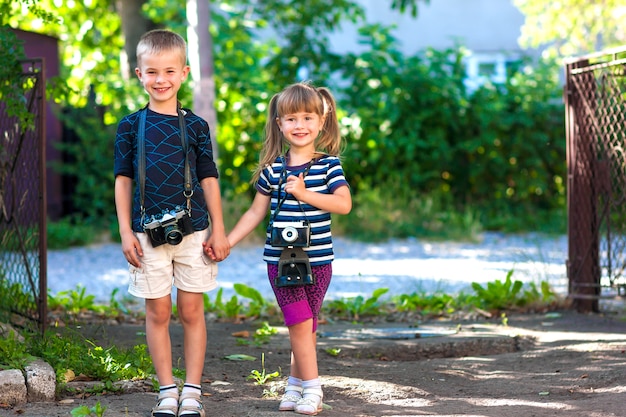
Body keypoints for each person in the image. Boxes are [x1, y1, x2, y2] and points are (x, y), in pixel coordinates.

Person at [114, 29, 230, 417]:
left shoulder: (196, 126)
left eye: (168, 71)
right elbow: (123, 179)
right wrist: (125, 230)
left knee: (191, 311)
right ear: (139, 74)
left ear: (184, 73)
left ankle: (192, 391)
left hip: (193, 230)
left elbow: (208, 177)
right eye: (151, 72)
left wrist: (219, 227)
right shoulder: (130, 126)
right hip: (146, 232)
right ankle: (167, 390)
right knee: (158, 313)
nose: (160, 79)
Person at [220, 82, 352, 415]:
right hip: (280, 262)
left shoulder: (328, 166)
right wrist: (227, 241)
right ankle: (313, 389)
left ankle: (295, 386)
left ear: (321, 121)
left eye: (308, 117)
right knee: (297, 321)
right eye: (291, 119)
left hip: (319, 261)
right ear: (279, 124)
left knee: (305, 326)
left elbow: (344, 204)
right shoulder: (272, 171)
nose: (300, 126)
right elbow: (254, 212)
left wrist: (305, 194)